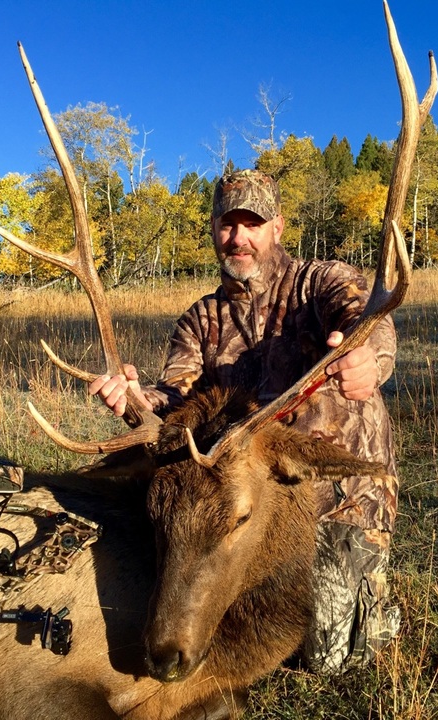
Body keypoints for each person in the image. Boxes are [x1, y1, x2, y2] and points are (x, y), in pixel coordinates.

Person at [89, 168, 399, 673]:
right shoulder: (200, 320)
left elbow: (367, 320)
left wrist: (369, 359)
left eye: (251, 223)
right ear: (213, 229)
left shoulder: (320, 284)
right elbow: (175, 397)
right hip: (235, 505)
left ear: (276, 227)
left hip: (338, 501)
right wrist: (133, 400)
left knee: (327, 656)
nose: (239, 238)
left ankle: (376, 593)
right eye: (227, 224)